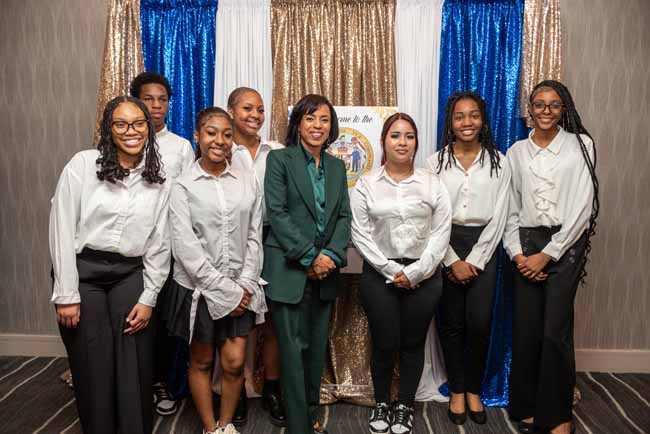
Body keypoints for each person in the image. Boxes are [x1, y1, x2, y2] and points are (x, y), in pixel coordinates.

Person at [49, 95, 170, 434]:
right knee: (93, 365)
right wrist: (66, 293)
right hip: (83, 273)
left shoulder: (159, 179)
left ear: (149, 127)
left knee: (134, 362)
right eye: (121, 123)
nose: (131, 131)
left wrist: (149, 298)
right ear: (108, 128)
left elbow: (161, 243)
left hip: (130, 274)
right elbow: (60, 226)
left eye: (138, 123)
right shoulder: (83, 165)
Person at [505, 80, 599, 434]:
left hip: (565, 243)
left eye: (554, 105)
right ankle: (526, 405)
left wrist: (548, 254)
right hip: (525, 245)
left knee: (554, 332)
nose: (546, 111)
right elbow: (510, 208)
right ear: (530, 109)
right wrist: (517, 255)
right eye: (539, 104)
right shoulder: (515, 152)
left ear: (564, 109)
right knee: (527, 330)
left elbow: (582, 207)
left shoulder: (581, 145)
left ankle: (558, 414)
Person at [166, 107, 266, 434]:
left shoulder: (246, 181)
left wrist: (246, 284)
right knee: (202, 362)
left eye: (226, 134)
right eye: (211, 132)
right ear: (197, 135)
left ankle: (227, 426)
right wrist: (226, 292)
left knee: (235, 363)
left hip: (242, 285)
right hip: (200, 289)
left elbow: (254, 235)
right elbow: (186, 249)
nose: (219, 141)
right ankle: (210, 428)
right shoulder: (182, 185)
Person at [351, 113, 452, 434]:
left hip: (425, 275)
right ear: (383, 141)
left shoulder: (432, 183)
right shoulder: (367, 184)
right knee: (383, 343)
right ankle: (382, 402)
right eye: (395, 136)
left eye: (409, 136)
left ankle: (405, 406)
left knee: (412, 343)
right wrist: (393, 270)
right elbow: (360, 233)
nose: (402, 142)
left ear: (416, 143)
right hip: (379, 275)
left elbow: (441, 232)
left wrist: (418, 271)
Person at [263, 94, 351, 434]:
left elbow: (344, 217)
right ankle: (298, 426)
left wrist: (329, 256)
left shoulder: (336, 166)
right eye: (311, 118)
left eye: (324, 119)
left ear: (332, 126)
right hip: (289, 270)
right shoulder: (280, 160)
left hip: (325, 273)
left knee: (314, 352)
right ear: (298, 123)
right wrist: (310, 257)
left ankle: (311, 416)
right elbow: (278, 214)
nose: (318, 126)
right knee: (292, 351)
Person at [426, 92, 510, 426]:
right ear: (451, 121)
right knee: (451, 324)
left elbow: (501, 215)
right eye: (459, 116)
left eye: (473, 115)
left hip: (483, 247)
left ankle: (474, 388)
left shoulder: (499, 162)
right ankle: (457, 389)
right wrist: (449, 259)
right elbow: (429, 216)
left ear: (483, 120)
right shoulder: (435, 163)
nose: (466, 122)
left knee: (479, 323)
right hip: (445, 243)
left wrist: (475, 259)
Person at [129, 71, 195, 416]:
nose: (156, 106)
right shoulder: (121, 142)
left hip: (168, 250)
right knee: (134, 321)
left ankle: (165, 384)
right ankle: (136, 383)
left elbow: (188, 200)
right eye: (149, 99)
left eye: (163, 99)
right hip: (130, 251)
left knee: (167, 324)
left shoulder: (181, 147)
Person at [227, 87, 286, 427]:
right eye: (248, 108)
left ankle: (272, 390)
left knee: (275, 321)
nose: (255, 115)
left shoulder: (276, 151)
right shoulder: (220, 146)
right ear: (232, 111)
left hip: (272, 239)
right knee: (239, 319)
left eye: (261, 109)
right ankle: (238, 391)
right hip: (234, 243)